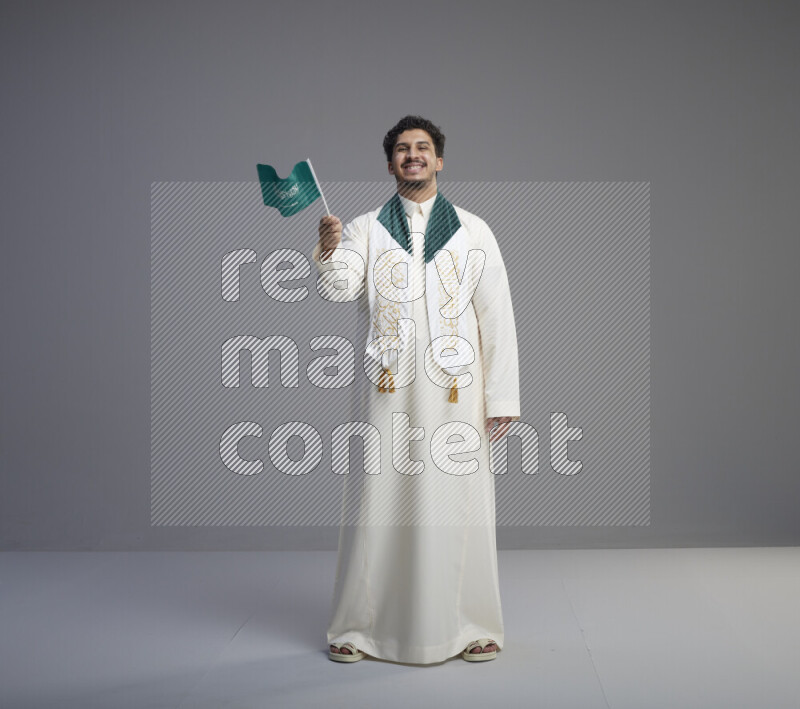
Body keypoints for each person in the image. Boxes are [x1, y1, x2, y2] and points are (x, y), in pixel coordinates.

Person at [312, 115, 520, 664]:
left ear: (439, 160)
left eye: (422, 148)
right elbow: (338, 290)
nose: (413, 156)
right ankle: (359, 628)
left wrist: (501, 399)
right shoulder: (363, 228)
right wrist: (329, 249)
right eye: (403, 150)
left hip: (457, 391)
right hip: (387, 391)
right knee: (376, 504)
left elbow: (496, 316)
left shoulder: (474, 230)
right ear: (389, 165)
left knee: (461, 505)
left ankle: (472, 625)